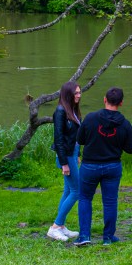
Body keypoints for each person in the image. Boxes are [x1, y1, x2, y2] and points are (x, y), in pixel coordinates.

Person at [74, 86, 132, 246]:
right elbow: (131, 149)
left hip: (89, 166)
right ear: (121, 103)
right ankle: (108, 237)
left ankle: (84, 236)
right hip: (112, 166)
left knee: (85, 198)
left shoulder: (90, 118)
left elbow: (80, 139)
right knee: (109, 201)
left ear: (104, 99)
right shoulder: (125, 124)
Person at [47, 81, 82, 242]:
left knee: (68, 190)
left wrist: (78, 153)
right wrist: (64, 163)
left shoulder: (72, 111)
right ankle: (55, 227)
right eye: (76, 93)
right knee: (77, 191)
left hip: (72, 154)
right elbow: (59, 139)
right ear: (68, 94)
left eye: (79, 92)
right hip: (66, 156)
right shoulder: (60, 112)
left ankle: (60, 226)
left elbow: (75, 135)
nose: (79, 95)